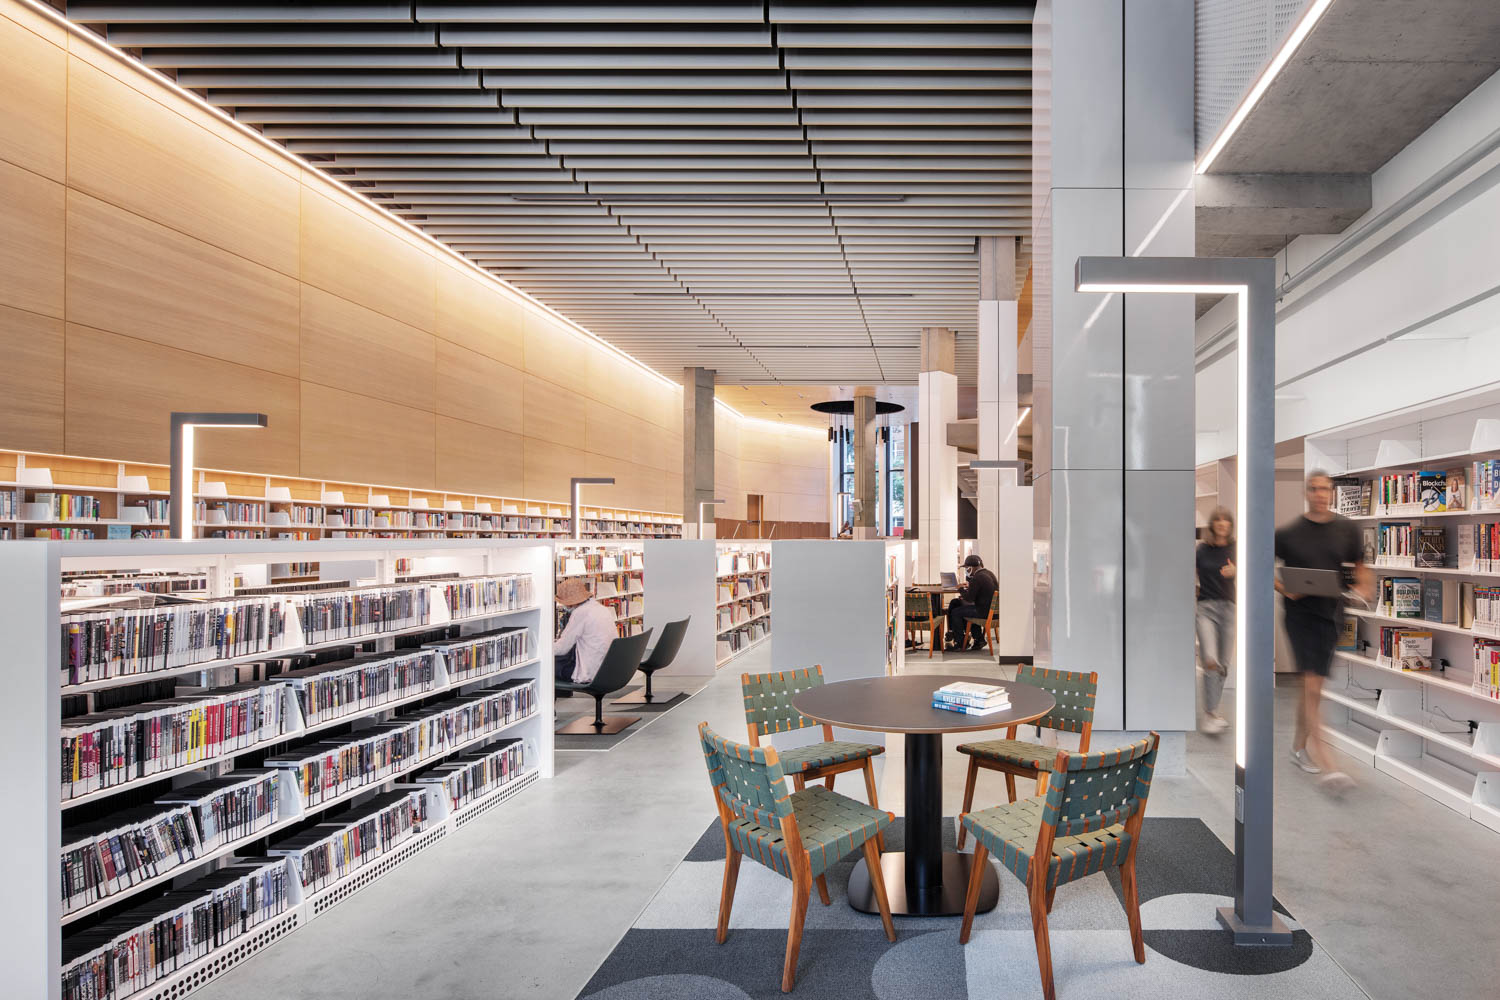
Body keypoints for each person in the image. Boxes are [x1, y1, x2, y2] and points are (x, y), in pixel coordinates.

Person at [1275, 470, 1373, 791]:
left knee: (1310, 686)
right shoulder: (1288, 533)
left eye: (1325, 489)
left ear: (1331, 493)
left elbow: (1361, 570)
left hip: (1331, 615)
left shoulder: (1347, 530)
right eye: (1314, 489)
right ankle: (1328, 763)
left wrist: (1361, 588)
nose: (1319, 494)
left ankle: (1297, 748)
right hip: (1299, 616)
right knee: (1313, 685)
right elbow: (1259, 565)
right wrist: (1283, 588)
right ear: (1307, 492)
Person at [1196, 507, 1236, 733]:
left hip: (1229, 609)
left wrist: (1236, 571)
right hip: (1206, 608)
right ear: (1212, 524)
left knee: (1222, 664)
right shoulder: (1202, 549)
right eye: (1218, 519)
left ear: (1230, 525)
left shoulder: (1236, 548)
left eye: (1226, 519)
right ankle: (1210, 714)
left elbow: (1251, 571)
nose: (1222, 523)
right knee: (1210, 659)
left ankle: (1213, 712)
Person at [554, 577, 616, 688]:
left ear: (569, 603)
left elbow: (562, 648)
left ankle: (547, 703)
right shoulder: (601, 608)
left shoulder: (580, 613)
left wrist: (542, 649)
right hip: (607, 668)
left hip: (590, 671)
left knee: (548, 664)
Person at [946, 554, 999, 652]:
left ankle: (960, 643)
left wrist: (960, 589)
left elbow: (969, 599)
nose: (966, 570)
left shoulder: (977, 577)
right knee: (956, 603)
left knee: (956, 612)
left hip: (983, 612)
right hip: (993, 611)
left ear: (971, 567)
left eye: (966, 568)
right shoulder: (989, 573)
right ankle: (978, 639)